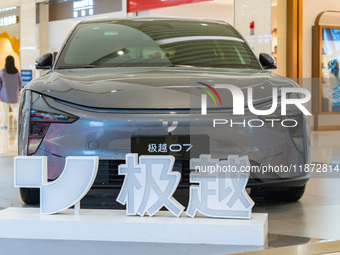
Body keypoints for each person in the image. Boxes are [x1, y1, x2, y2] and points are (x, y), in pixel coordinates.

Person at [0, 55, 22, 129]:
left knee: (4, 112)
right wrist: (18, 90)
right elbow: (20, 83)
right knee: (16, 111)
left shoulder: (2, 72)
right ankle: (20, 124)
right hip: (14, 95)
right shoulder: (16, 72)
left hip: (4, 95)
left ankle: (3, 125)